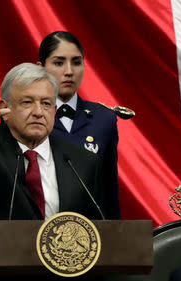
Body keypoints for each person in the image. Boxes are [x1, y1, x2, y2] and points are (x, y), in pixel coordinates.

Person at [0, 63, 113, 281]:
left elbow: (95, 229)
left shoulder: (81, 160)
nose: (38, 112)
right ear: (4, 109)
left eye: (46, 104)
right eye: (27, 102)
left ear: (54, 111)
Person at [38, 31, 121, 219]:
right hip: (40, 233)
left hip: (92, 235)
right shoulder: (29, 117)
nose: (69, 71)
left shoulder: (104, 119)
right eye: (59, 63)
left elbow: (109, 190)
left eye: (76, 62)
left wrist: (116, 238)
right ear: (40, 68)